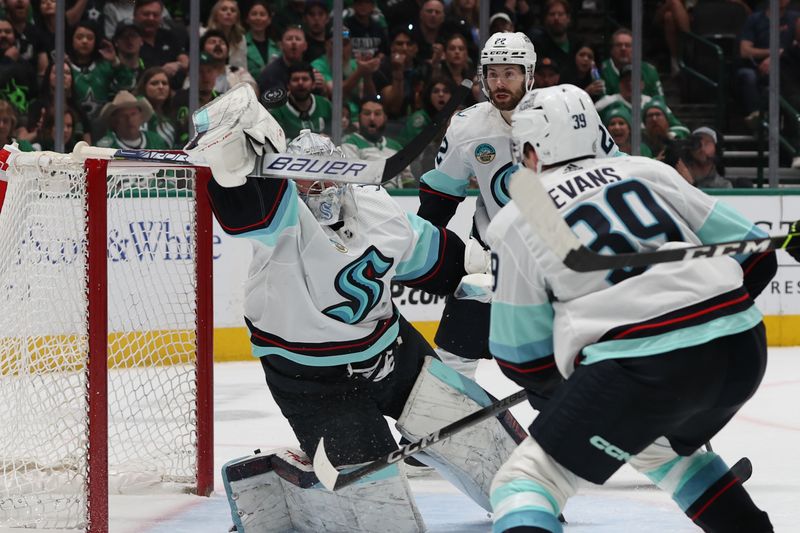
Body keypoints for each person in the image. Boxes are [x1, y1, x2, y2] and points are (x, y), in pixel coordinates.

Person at [194, 85, 526, 527]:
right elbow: (243, 210)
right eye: (305, 179)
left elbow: (452, 265)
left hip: (394, 356)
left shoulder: (379, 212)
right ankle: (283, 480)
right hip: (313, 383)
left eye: (327, 176)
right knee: (382, 519)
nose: (321, 188)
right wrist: (235, 149)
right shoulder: (280, 220)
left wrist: (514, 289)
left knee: (515, 477)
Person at [487, 84, 776, 533]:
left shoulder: (528, 210)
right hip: (742, 347)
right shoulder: (643, 170)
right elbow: (757, 254)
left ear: (530, 149)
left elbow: (521, 355)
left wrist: (577, 393)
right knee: (666, 453)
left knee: (526, 480)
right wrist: (705, 329)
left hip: (638, 367)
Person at [416, 32, 619, 377]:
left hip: (561, 255)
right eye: (492, 74)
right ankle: (443, 419)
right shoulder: (468, 126)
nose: (499, 83)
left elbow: (614, 175)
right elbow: (440, 199)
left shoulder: (568, 114)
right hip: (493, 258)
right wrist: (420, 251)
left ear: (529, 74)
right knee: (453, 353)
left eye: (509, 73)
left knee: (595, 353)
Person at [341, 97, 413, 188]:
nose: (372, 118)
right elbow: (353, 181)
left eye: (377, 114)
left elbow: (408, 181)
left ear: (385, 118)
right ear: (359, 117)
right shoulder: (349, 143)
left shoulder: (396, 146)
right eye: (367, 113)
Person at [268, 62, 332, 140]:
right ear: (288, 85)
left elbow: (335, 135)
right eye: (295, 80)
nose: (300, 83)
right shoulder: (277, 110)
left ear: (313, 84)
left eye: (305, 79)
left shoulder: (325, 105)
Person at [600, 28, 664, 99]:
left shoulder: (649, 71)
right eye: (618, 45)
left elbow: (659, 100)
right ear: (612, 50)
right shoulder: (602, 70)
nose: (623, 48)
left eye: (627, 45)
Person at [95, 90, 168, 150]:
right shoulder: (105, 148)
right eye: (123, 116)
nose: (129, 119)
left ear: (141, 116)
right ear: (114, 121)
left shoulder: (156, 141)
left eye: (133, 114)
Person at [134, 66, 177, 148]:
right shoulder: (136, 112)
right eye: (154, 83)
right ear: (144, 87)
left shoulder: (172, 115)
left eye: (164, 83)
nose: (161, 87)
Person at [204, 0, 247, 70]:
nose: (229, 13)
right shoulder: (203, 34)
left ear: (237, 18)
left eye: (233, 10)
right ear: (215, 15)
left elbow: (243, 68)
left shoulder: (240, 39)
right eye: (224, 9)